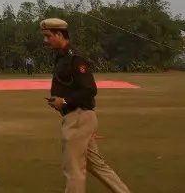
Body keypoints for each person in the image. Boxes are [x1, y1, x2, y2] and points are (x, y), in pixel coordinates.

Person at [42, 18, 132, 193]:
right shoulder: (62, 57)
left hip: (78, 117)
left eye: (48, 36)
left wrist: (65, 101)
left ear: (59, 34)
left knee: (73, 169)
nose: (45, 41)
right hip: (77, 118)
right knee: (96, 165)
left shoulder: (75, 58)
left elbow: (90, 89)